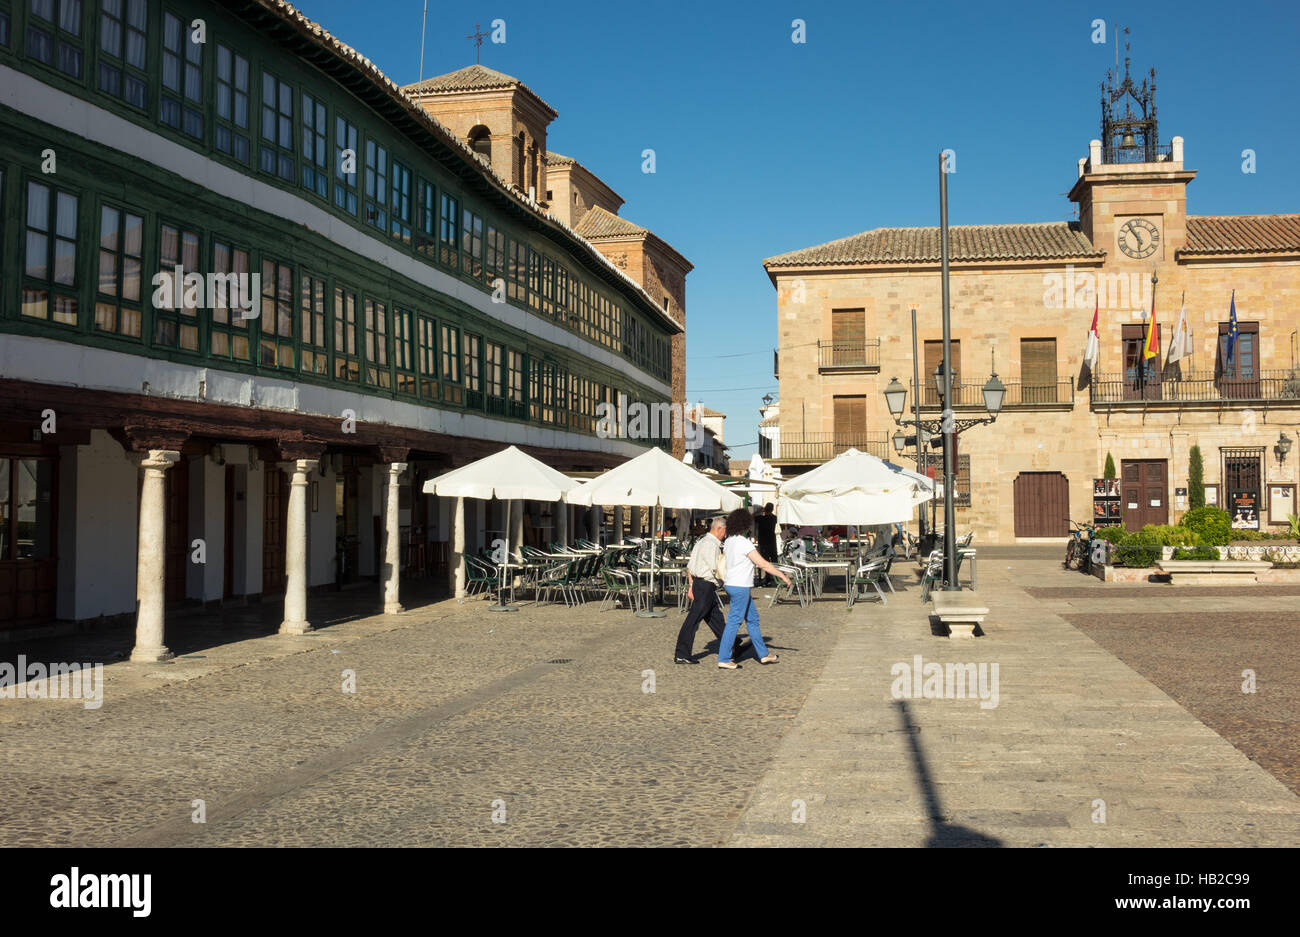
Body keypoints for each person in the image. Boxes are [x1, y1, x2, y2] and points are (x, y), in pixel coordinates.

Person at [718, 508, 790, 670]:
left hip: (731, 584)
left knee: (752, 619)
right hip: (740, 586)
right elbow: (762, 563)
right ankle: (723, 657)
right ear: (745, 524)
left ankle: (763, 654)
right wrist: (782, 576)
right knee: (734, 622)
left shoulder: (729, 541)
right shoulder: (744, 543)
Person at [674, 517, 748, 664]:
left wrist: (691, 585)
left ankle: (732, 645)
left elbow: (690, 566)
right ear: (719, 528)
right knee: (693, 620)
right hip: (705, 585)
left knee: (716, 619)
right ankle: (682, 654)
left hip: (701, 584)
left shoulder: (701, 541)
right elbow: (716, 569)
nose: (726, 535)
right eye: (725, 531)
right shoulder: (711, 545)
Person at [754, 503, 779, 583]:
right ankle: (776, 577)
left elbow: (750, 517)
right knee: (774, 560)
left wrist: (758, 511)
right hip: (772, 541)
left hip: (763, 542)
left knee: (765, 560)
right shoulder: (775, 518)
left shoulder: (760, 518)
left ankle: (767, 577)